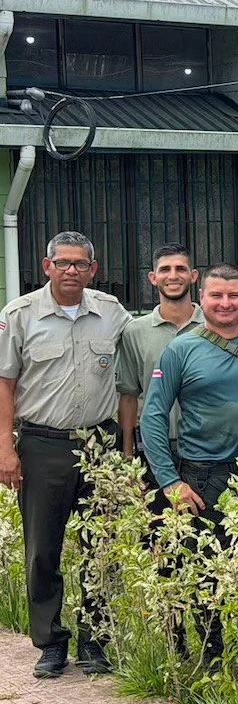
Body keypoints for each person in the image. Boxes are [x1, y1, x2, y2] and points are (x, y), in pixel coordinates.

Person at [140, 263, 238, 662]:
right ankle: (213, 657)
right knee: (207, 572)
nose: (226, 303)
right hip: (202, 478)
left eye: (234, 295)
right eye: (216, 295)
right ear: (200, 298)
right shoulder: (179, 349)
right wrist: (170, 482)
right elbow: (152, 417)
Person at [0, 230, 130, 678]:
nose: (71, 271)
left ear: (93, 269)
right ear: (47, 266)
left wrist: (128, 446)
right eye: (63, 263)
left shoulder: (112, 314)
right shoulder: (18, 315)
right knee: (42, 549)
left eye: (80, 264)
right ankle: (51, 642)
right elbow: (5, 383)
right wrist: (4, 448)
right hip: (41, 444)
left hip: (101, 442)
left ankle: (96, 639)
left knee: (103, 546)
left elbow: (131, 377)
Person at [117, 243, 203, 476]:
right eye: (165, 270)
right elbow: (128, 395)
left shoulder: (213, 328)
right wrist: (128, 455)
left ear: (193, 276)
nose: (173, 276)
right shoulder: (134, 332)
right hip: (153, 447)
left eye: (181, 269)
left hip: (207, 450)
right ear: (153, 278)